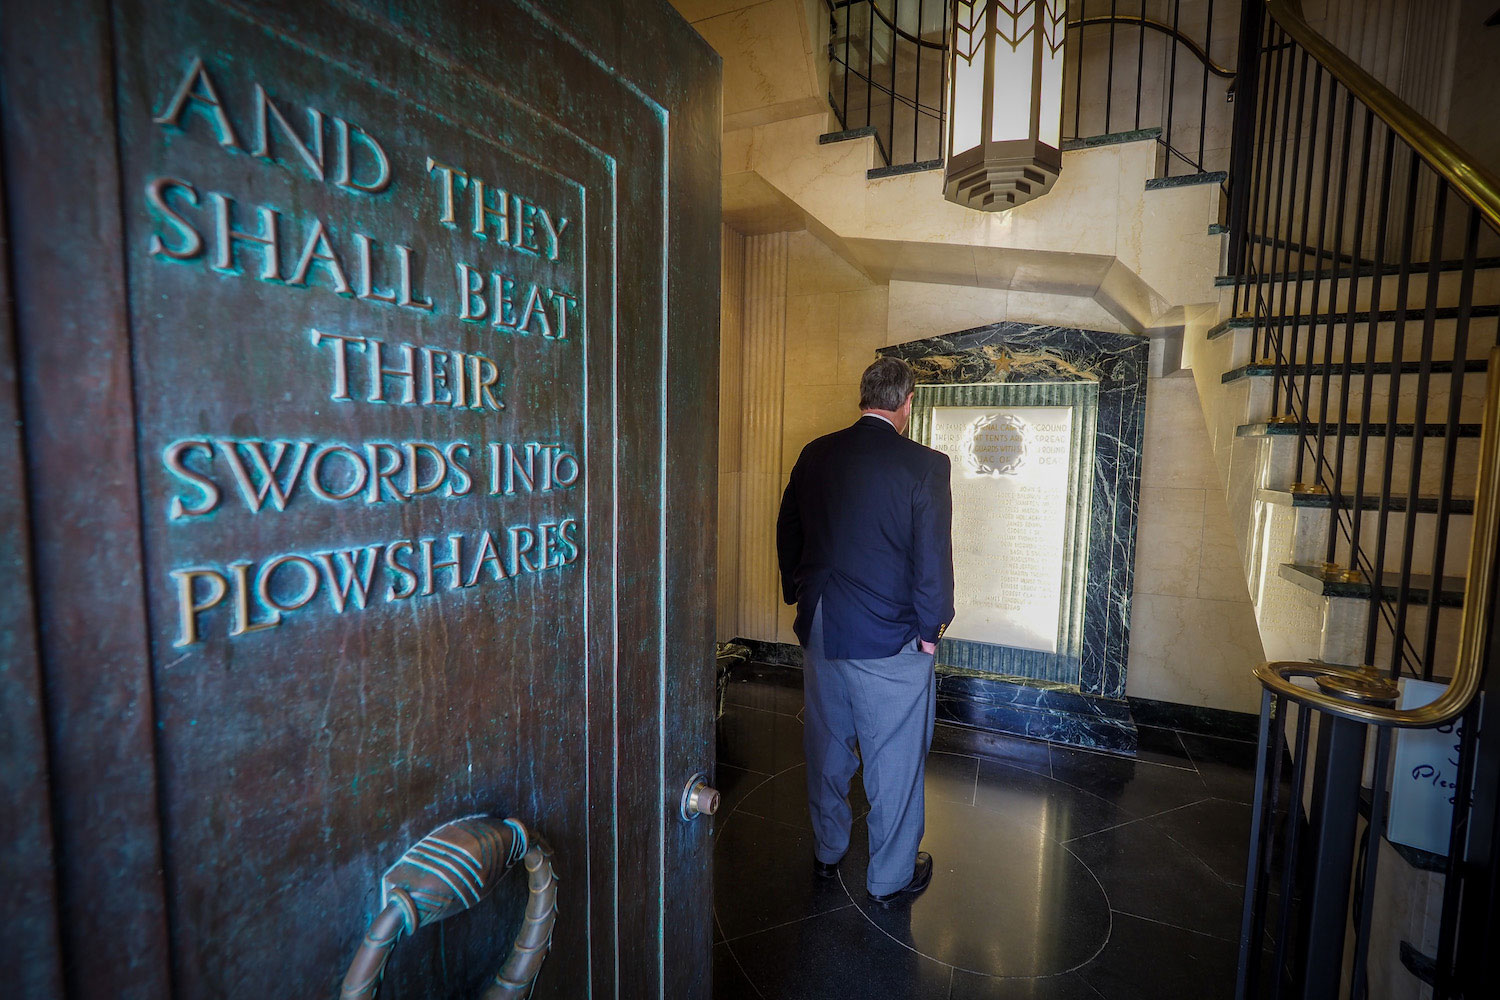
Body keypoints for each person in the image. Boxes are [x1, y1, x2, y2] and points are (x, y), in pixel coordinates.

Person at [775, 356, 955, 907]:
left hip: (824, 623)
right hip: (889, 634)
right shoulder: (925, 465)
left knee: (828, 744)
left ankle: (828, 850)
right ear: (907, 403)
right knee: (894, 757)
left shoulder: (815, 453)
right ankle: (890, 876)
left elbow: (789, 528)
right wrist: (931, 630)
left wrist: (799, 592)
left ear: (864, 397)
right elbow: (932, 558)